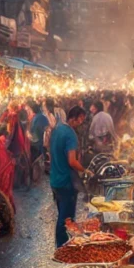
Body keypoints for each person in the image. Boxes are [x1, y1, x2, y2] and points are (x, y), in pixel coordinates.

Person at [50, 106, 88, 247]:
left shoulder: (57, 129)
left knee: (62, 213)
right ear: (73, 118)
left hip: (55, 179)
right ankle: (63, 247)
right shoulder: (70, 134)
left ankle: (62, 245)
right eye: (80, 120)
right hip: (66, 181)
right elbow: (72, 161)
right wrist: (85, 170)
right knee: (67, 218)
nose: (80, 123)